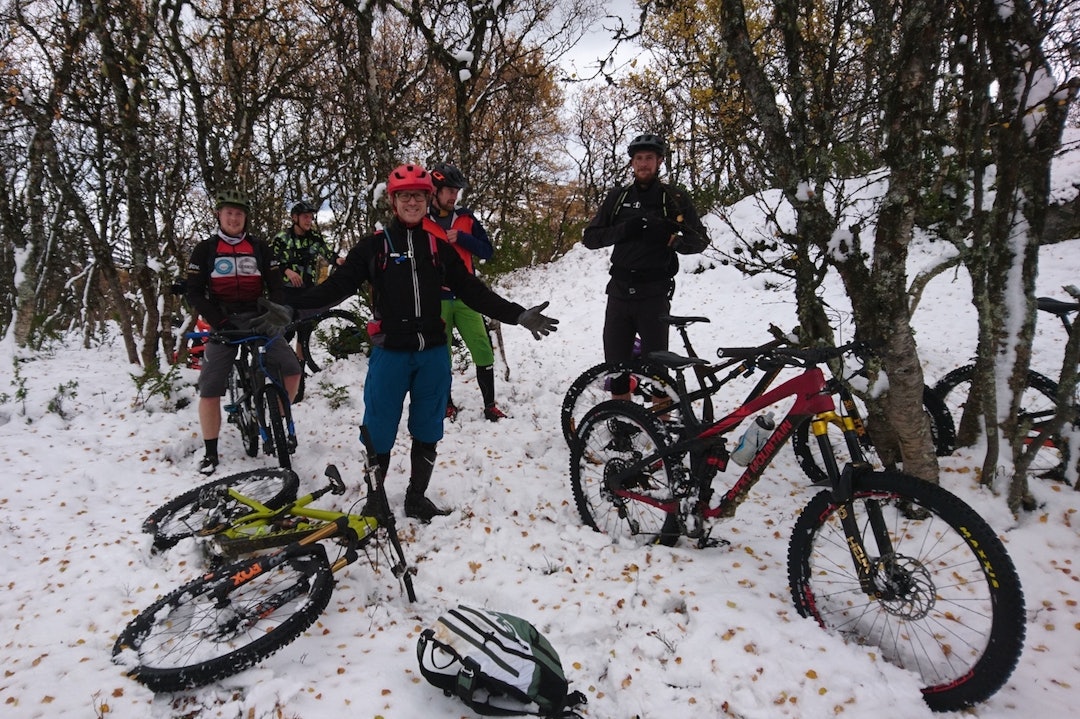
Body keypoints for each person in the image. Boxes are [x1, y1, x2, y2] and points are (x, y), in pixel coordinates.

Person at [284, 164, 558, 522]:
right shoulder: (374, 247)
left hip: (432, 353)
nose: (412, 202)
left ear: (428, 200)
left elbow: (472, 291)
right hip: (390, 353)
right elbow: (336, 287)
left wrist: (517, 314)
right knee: (379, 428)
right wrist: (291, 308)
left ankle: (416, 497)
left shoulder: (437, 247)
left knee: (429, 427)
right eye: (404, 196)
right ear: (393, 201)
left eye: (418, 196)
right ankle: (375, 499)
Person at [582, 133, 710, 399]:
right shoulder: (618, 197)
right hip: (619, 292)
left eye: (649, 158)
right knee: (616, 370)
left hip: (654, 295)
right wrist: (624, 229)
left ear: (659, 161)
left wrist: (670, 239)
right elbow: (591, 239)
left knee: (658, 373)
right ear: (631, 163)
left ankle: (660, 424)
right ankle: (621, 419)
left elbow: (699, 241)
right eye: (638, 158)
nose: (643, 164)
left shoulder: (674, 198)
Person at [185, 188, 303, 475]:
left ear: (246, 217)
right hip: (223, 319)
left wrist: (275, 312)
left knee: (292, 369)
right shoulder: (205, 250)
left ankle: (278, 420)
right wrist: (217, 321)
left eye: (239, 214)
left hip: (258, 317)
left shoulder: (259, 247)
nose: (234, 218)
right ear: (219, 215)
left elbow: (276, 284)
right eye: (229, 213)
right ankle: (210, 451)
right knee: (210, 387)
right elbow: (193, 292)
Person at [428, 162, 504, 422]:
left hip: (465, 297)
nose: (454, 196)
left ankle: (490, 406)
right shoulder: (422, 221)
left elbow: (487, 251)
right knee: (442, 356)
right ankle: (446, 404)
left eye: (456, 191)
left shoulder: (466, 218)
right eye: (449, 190)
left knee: (483, 349)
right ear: (435, 190)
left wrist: (461, 238)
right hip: (437, 299)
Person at [271, 200, 344, 399]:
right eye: (305, 217)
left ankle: (299, 382)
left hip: (307, 292)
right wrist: (287, 271)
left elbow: (328, 253)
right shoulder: (282, 238)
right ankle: (278, 374)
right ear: (295, 218)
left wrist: (338, 260)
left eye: (311, 217)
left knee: (303, 335)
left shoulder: (315, 238)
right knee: (284, 335)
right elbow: (270, 261)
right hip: (285, 293)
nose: (309, 220)